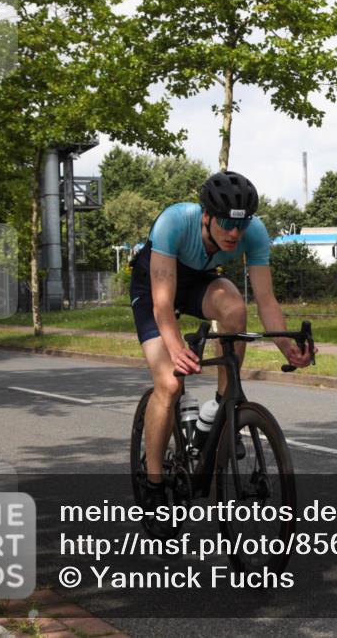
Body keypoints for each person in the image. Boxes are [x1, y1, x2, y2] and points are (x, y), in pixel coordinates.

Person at [129, 170, 313, 514]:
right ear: (206, 215)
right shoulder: (174, 222)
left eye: (240, 225)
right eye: (226, 223)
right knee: (169, 384)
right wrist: (175, 349)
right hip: (154, 286)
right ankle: (152, 482)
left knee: (234, 307)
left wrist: (287, 345)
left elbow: (266, 300)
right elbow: (163, 305)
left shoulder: (253, 233)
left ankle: (220, 407)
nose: (234, 233)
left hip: (200, 283)